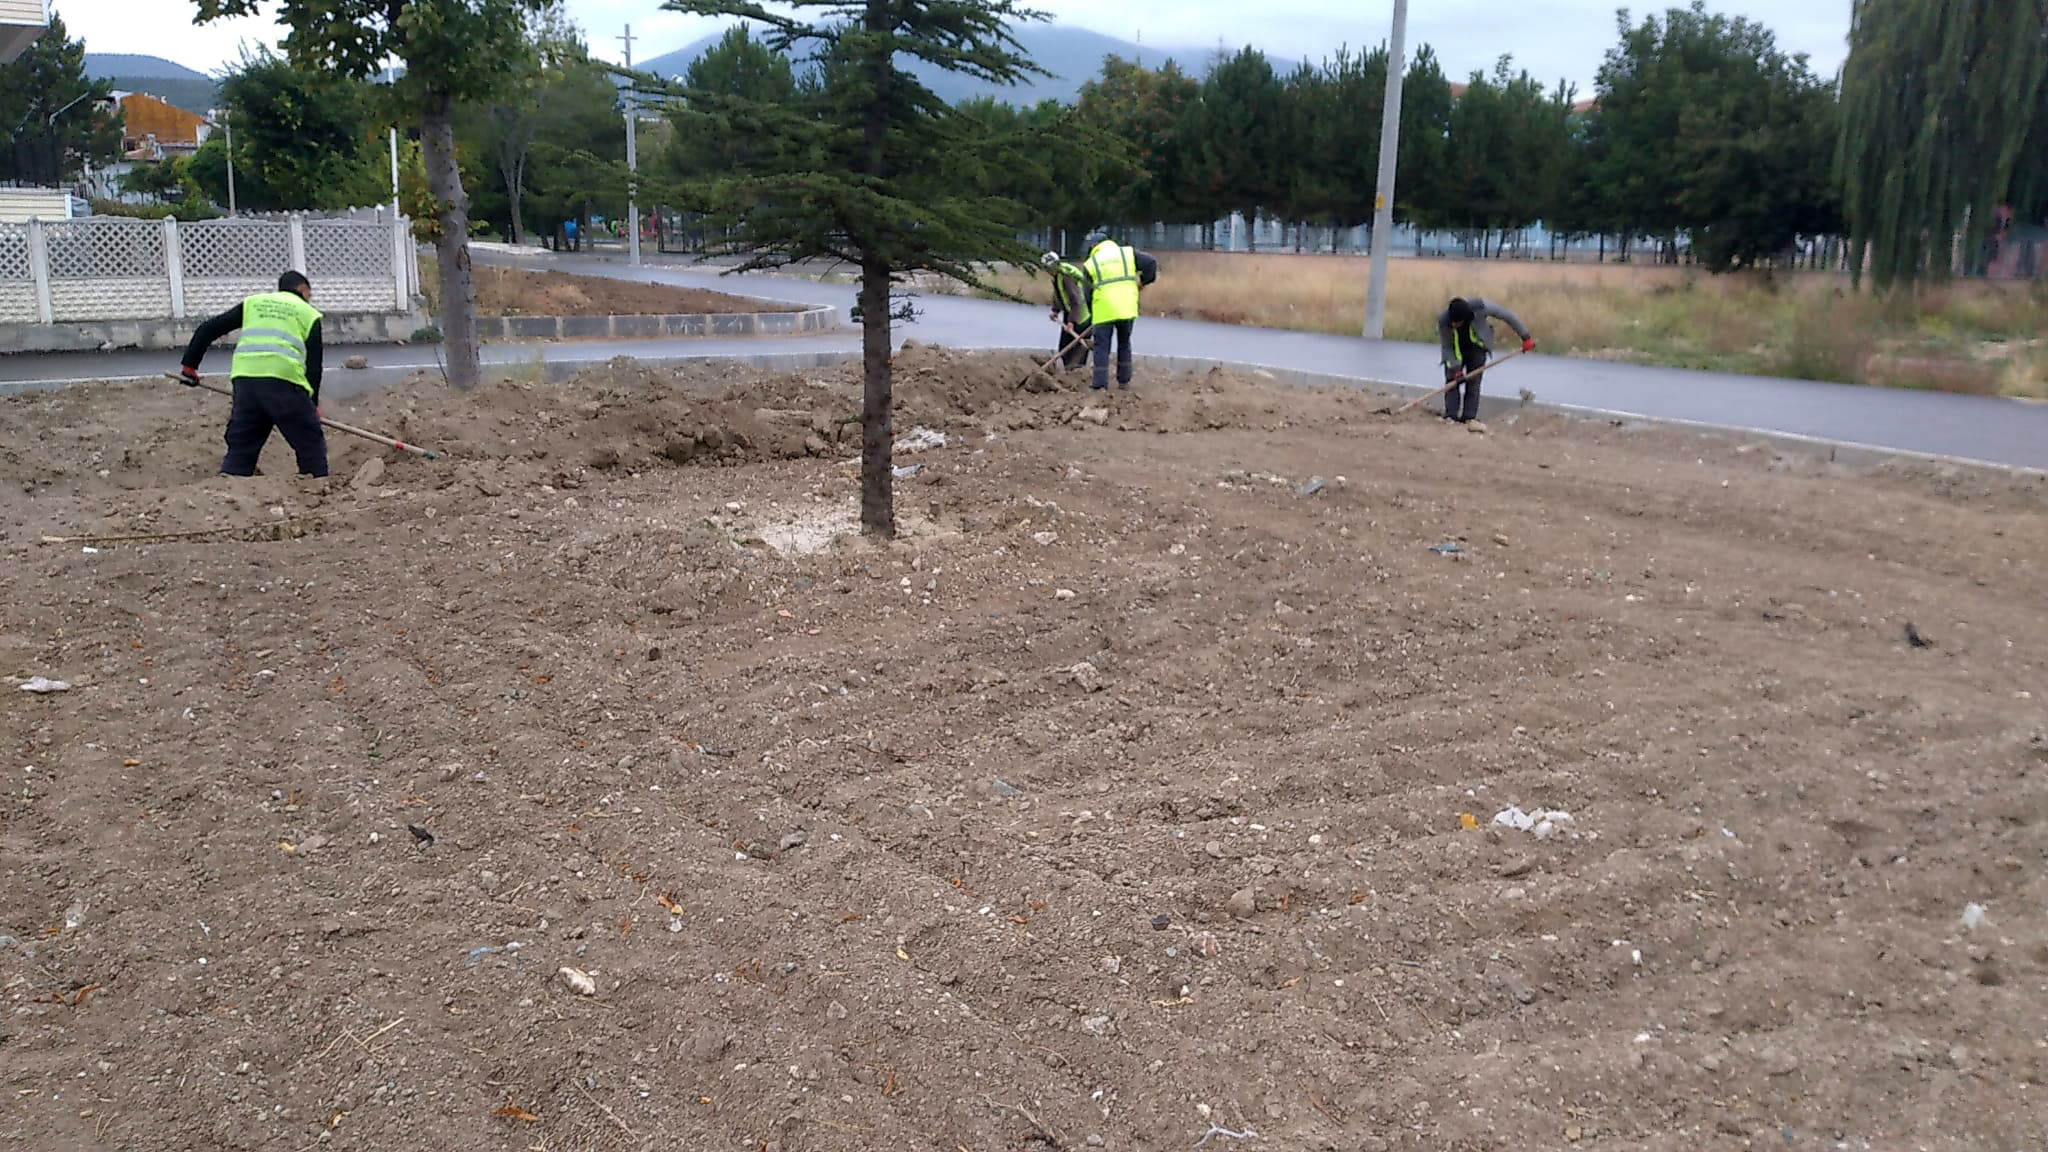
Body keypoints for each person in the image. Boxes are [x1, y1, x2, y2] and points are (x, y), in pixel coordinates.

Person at [177, 271, 328, 478]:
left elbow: (208, 329)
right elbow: (314, 367)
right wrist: (312, 405)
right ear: (303, 290)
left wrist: (189, 367)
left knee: (242, 448)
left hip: (245, 382)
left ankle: (230, 484)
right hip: (284, 384)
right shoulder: (308, 313)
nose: (310, 299)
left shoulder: (253, 304)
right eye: (310, 295)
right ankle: (316, 485)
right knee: (310, 445)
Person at [1436, 296, 1535, 424]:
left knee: (1473, 383)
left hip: (1478, 348)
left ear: (1464, 318)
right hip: (1455, 350)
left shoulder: (1480, 307)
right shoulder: (1444, 321)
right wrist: (1456, 370)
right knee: (1452, 382)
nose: (1453, 325)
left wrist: (1525, 337)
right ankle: (1451, 416)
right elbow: (1447, 347)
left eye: (1456, 322)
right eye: (1452, 322)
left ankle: (1469, 418)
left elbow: (1506, 315)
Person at [1081, 230, 1158, 391]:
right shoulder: (1127, 253)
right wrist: (1143, 282)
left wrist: (1092, 313)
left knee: (1102, 347)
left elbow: (1087, 293)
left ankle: (1099, 386)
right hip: (1127, 306)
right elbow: (1151, 263)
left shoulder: (1090, 263)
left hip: (1103, 309)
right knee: (1124, 343)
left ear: (1094, 246)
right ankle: (1124, 382)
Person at [1042, 249, 1092, 371]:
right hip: (1071, 315)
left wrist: (1071, 322)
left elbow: (1075, 300)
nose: (1047, 271)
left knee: (1077, 349)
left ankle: (1077, 374)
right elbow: (1059, 295)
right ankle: (1069, 371)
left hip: (1080, 318)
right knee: (1064, 347)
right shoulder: (1057, 276)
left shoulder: (1066, 277)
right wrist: (1055, 310)